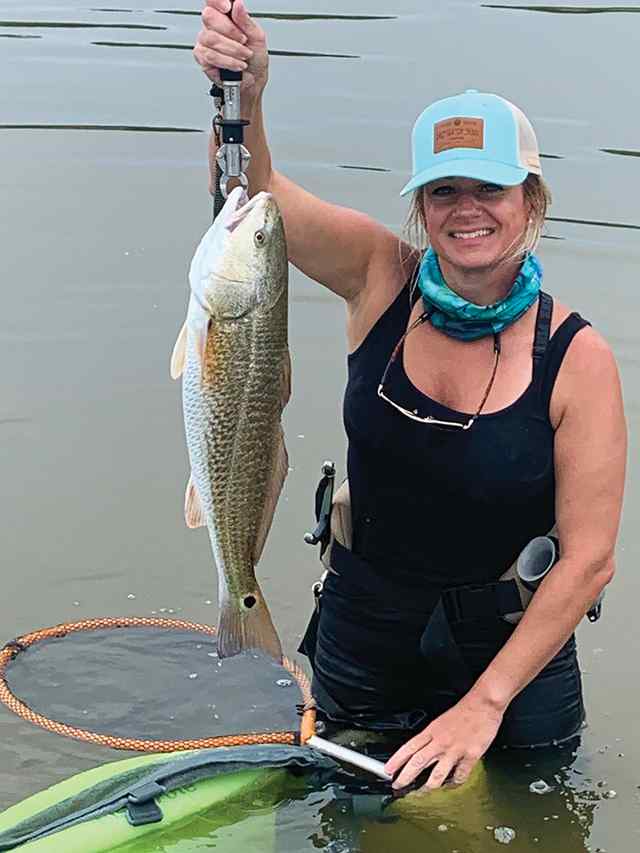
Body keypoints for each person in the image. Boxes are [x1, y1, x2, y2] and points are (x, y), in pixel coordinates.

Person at [194, 0, 627, 792]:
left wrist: (486, 702)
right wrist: (245, 97)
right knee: (346, 822)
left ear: (531, 201)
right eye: (443, 190)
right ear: (420, 205)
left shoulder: (579, 356)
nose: (467, 210)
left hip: (514, 660)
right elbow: (254, 204)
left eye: (490, 188)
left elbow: (590, 560)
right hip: (367, 638)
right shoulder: (377, 274)